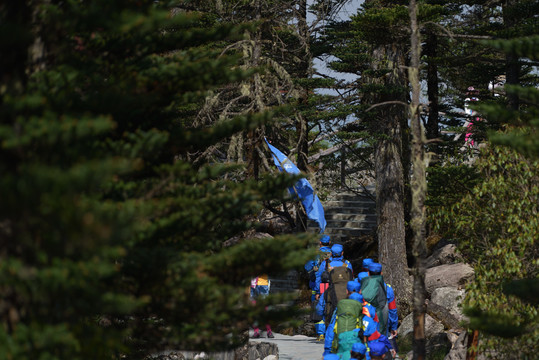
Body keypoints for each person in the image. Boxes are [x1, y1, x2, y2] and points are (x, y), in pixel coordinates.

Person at [360, 262, 398, 338]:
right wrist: (393, 327)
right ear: (381, 273)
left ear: (368, 274)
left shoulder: (362, 289)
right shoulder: (388, 289)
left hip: (366, 324)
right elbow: (392, 309)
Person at [323, 292, 364, 360]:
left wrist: (327, 352)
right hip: (356, 352)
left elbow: (330, 332)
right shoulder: (363, 314)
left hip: (339, 350)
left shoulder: (339, 313)